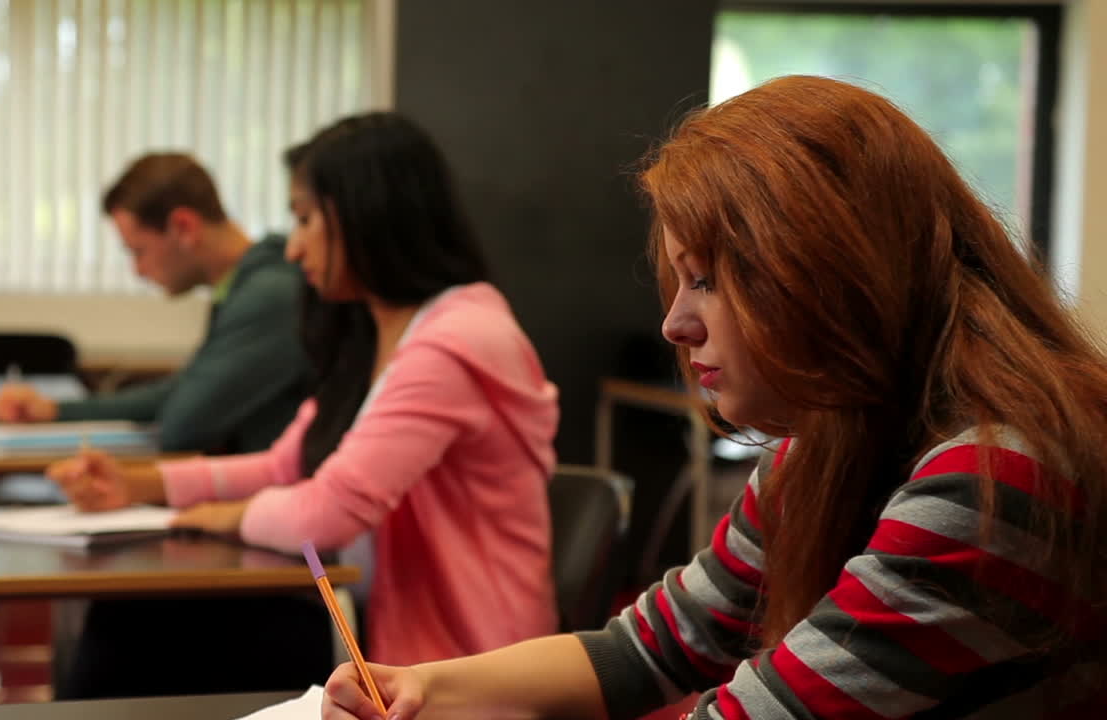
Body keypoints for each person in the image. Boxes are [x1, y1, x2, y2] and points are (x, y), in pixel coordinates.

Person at [321, 76, 1107, 720]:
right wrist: (427, 685)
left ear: (828, 269)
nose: (674, 322)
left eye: (708, 280)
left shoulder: (987, 477)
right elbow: (654, 645)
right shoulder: (827, 441)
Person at [48, 112, 560, 689]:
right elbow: (282, 466)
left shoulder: (458, 339)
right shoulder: (370, 336)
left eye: (306, 220)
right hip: (376, 634)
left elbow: (325, 512)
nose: (293, 249)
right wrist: (139, 486)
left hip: (467, 668)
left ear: (369, 217)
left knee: (135, 632)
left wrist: (220, 517)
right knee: (133, 622)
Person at [0, 153, 307, 454]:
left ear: (184, 227)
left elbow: (182, 426)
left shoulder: (270, 296)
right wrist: (55, 410)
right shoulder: (244, 286)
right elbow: (183, 392)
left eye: (138, 251)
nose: (137, 270)